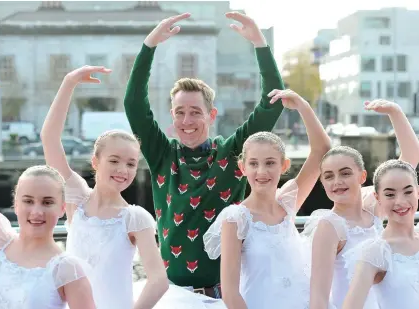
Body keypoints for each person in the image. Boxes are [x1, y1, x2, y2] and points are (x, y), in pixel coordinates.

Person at [123, 11, 285, 296]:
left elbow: (272, 104)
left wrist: (260, 43)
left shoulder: (234, 152)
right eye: (180, 113)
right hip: (173, 294)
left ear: (211, 115)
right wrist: (149, 46)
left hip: (225, 294)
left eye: (195, 112)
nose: (187, 121)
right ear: (172, 117)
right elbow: (134, 103)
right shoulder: (162, 153)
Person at [40, 66, 170, 309]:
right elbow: (49, 137)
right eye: (114, 161)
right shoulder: (76, 197)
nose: (123, 169)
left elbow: (159, 280)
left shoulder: (135, 218)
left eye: (131, 163)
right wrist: (69, 82)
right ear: (95, 162)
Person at [0, 80, 96, 309]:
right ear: (15, 205)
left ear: (62, 208)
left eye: (47, 202)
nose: (37, 211)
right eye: (28, 201)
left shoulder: (67, 269)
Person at [203, 89, 331, 309]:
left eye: (270, 163)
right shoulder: (236, 219)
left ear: (284, 166)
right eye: (253, 163)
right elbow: (231, 294)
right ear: (243, 168)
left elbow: (322, 150)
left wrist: (302, 104)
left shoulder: (288, 202)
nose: (261, 171)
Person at [303, 99, 419, 309]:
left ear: (362, 175)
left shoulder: (373, 206)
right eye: (329, 176)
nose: (337, 181)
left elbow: (409, 159)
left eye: (345, 173)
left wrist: (395, 112)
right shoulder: (329, 226)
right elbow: (319, 296)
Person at [342, 159, 419, 309]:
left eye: (408, 192)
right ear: (378, 198)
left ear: (418, 192)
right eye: (390, 194)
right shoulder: (376, 251)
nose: (400, 201)